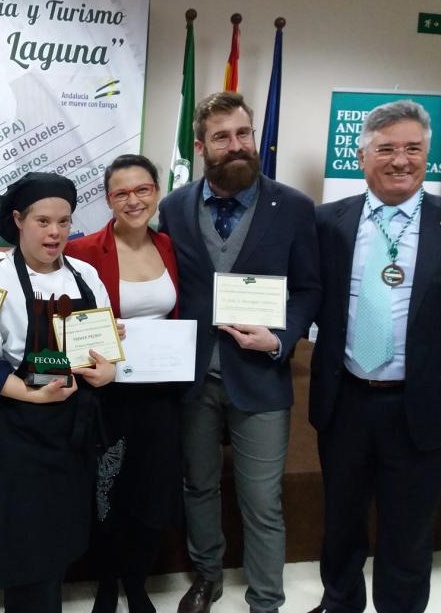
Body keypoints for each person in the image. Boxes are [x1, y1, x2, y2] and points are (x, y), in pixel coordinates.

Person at [307, 100, 441, 613]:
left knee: (408, 530)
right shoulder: (327, 222)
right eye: (386, 148)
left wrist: (430, 356)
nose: (400, 159)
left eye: (412, 148)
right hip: (345, 402)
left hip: (419, 404)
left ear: (429, 155)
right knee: (340, 522)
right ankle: (340, 603)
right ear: (362, 157)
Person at [158, 91, 321, 613]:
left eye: (244, 134)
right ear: (202, 146)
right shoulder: (175, 207)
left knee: (262, 501)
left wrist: (280, 340)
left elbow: (309, 289)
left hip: (261, 377)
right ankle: (207, 577)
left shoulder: (293, 207)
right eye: (223, 137)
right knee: (198, 485)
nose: (236, 146)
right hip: (193, 377)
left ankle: (266, 600)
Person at [0, 172, 117, 613]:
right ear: (18, 220)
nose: (55, 233)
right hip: (18, 433)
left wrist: (108, 373)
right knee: (25, 547)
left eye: (64, 222)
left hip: (73, 432)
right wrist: (31, 396)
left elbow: (105, 350)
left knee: (60, 538)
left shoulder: (85, 276)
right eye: (43, 221)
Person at [65, 154, 182, 613]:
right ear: (108, 198)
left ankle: (137, 583)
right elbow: (64, 316)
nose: (133, 200)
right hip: (107, 395)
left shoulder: (170, 246)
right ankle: (107, 585)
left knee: (153, 494)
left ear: (156, 192)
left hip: (161, 395)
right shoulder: (84, 251)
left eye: (142, 190)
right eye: (121, 193)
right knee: (108, 494)